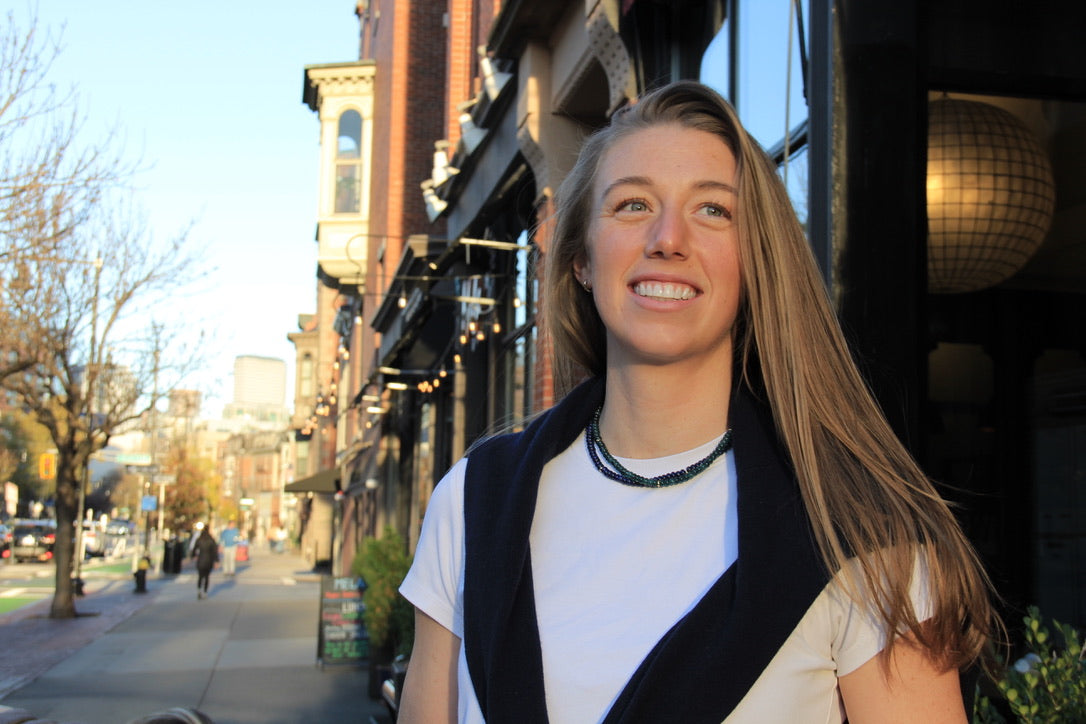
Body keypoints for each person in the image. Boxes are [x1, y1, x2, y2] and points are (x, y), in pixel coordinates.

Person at [397, 81, 998, 723]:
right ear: (580, 258)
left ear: (754, 262)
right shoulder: (475, 500)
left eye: (713, 210)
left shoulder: (855, 530)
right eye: (632, 204)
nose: (668, 238)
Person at [190, 524, 218, 600]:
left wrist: (193, 556)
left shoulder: (199, 539)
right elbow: (215, 551)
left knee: (200, 576)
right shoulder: (211, 539)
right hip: (209, 559)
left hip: (201, 559)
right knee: (206, 577)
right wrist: (216, 560)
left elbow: (194, 549)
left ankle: (199, 590)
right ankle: (205, 592)